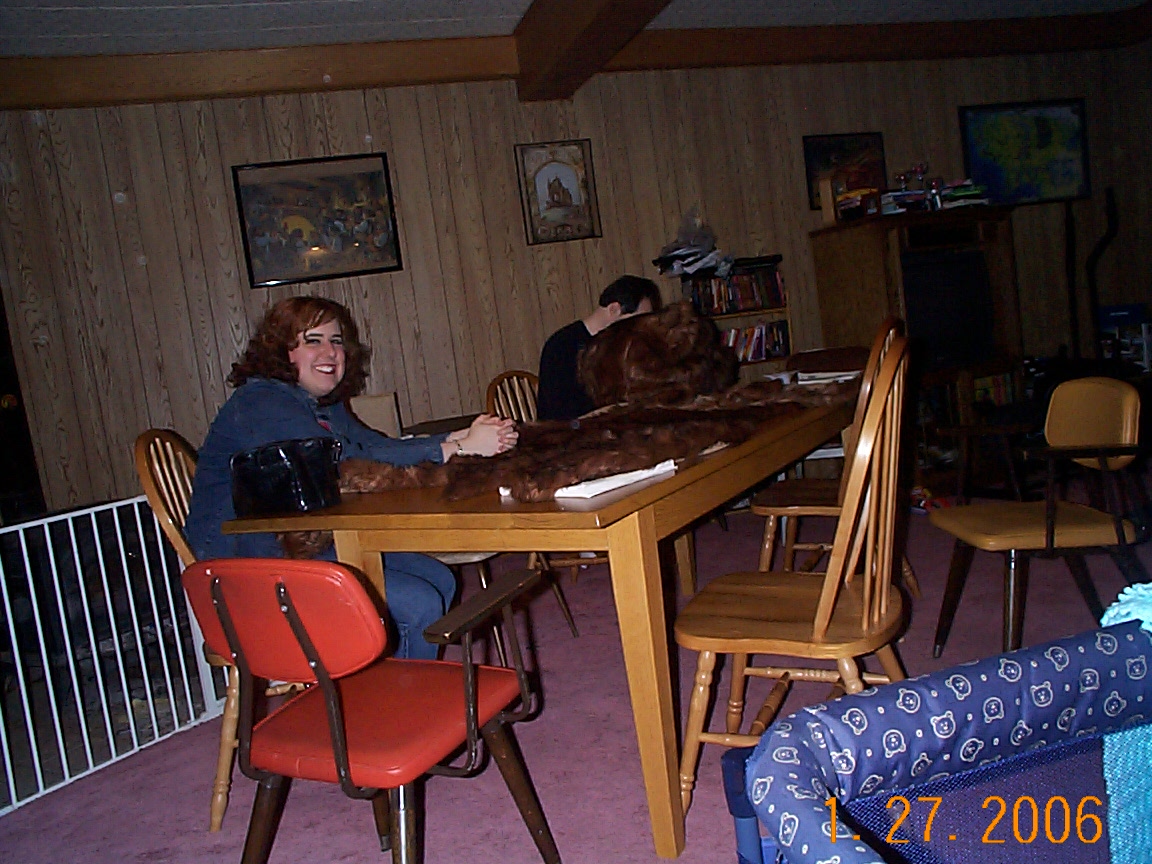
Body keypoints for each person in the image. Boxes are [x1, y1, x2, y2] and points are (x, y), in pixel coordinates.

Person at [185, 296, 517, 659]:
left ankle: (395, 680)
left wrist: (458, 437)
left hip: (301, 540)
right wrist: (456, 448)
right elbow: (344, 458)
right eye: (313, 340)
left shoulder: (319, 404)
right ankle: (395, 692)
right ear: (282, 350)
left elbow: (375, 445)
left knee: (438, 578)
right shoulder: (261, 401)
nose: (330, 352)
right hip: (243, 566)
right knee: (419, 602)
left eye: (336, 341)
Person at [536, 275, 662, 421]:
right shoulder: (561, 347)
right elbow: (562, 417)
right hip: (572, 430)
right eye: (637, 321)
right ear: (614, 309)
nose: (640, 328)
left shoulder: (620, 344)